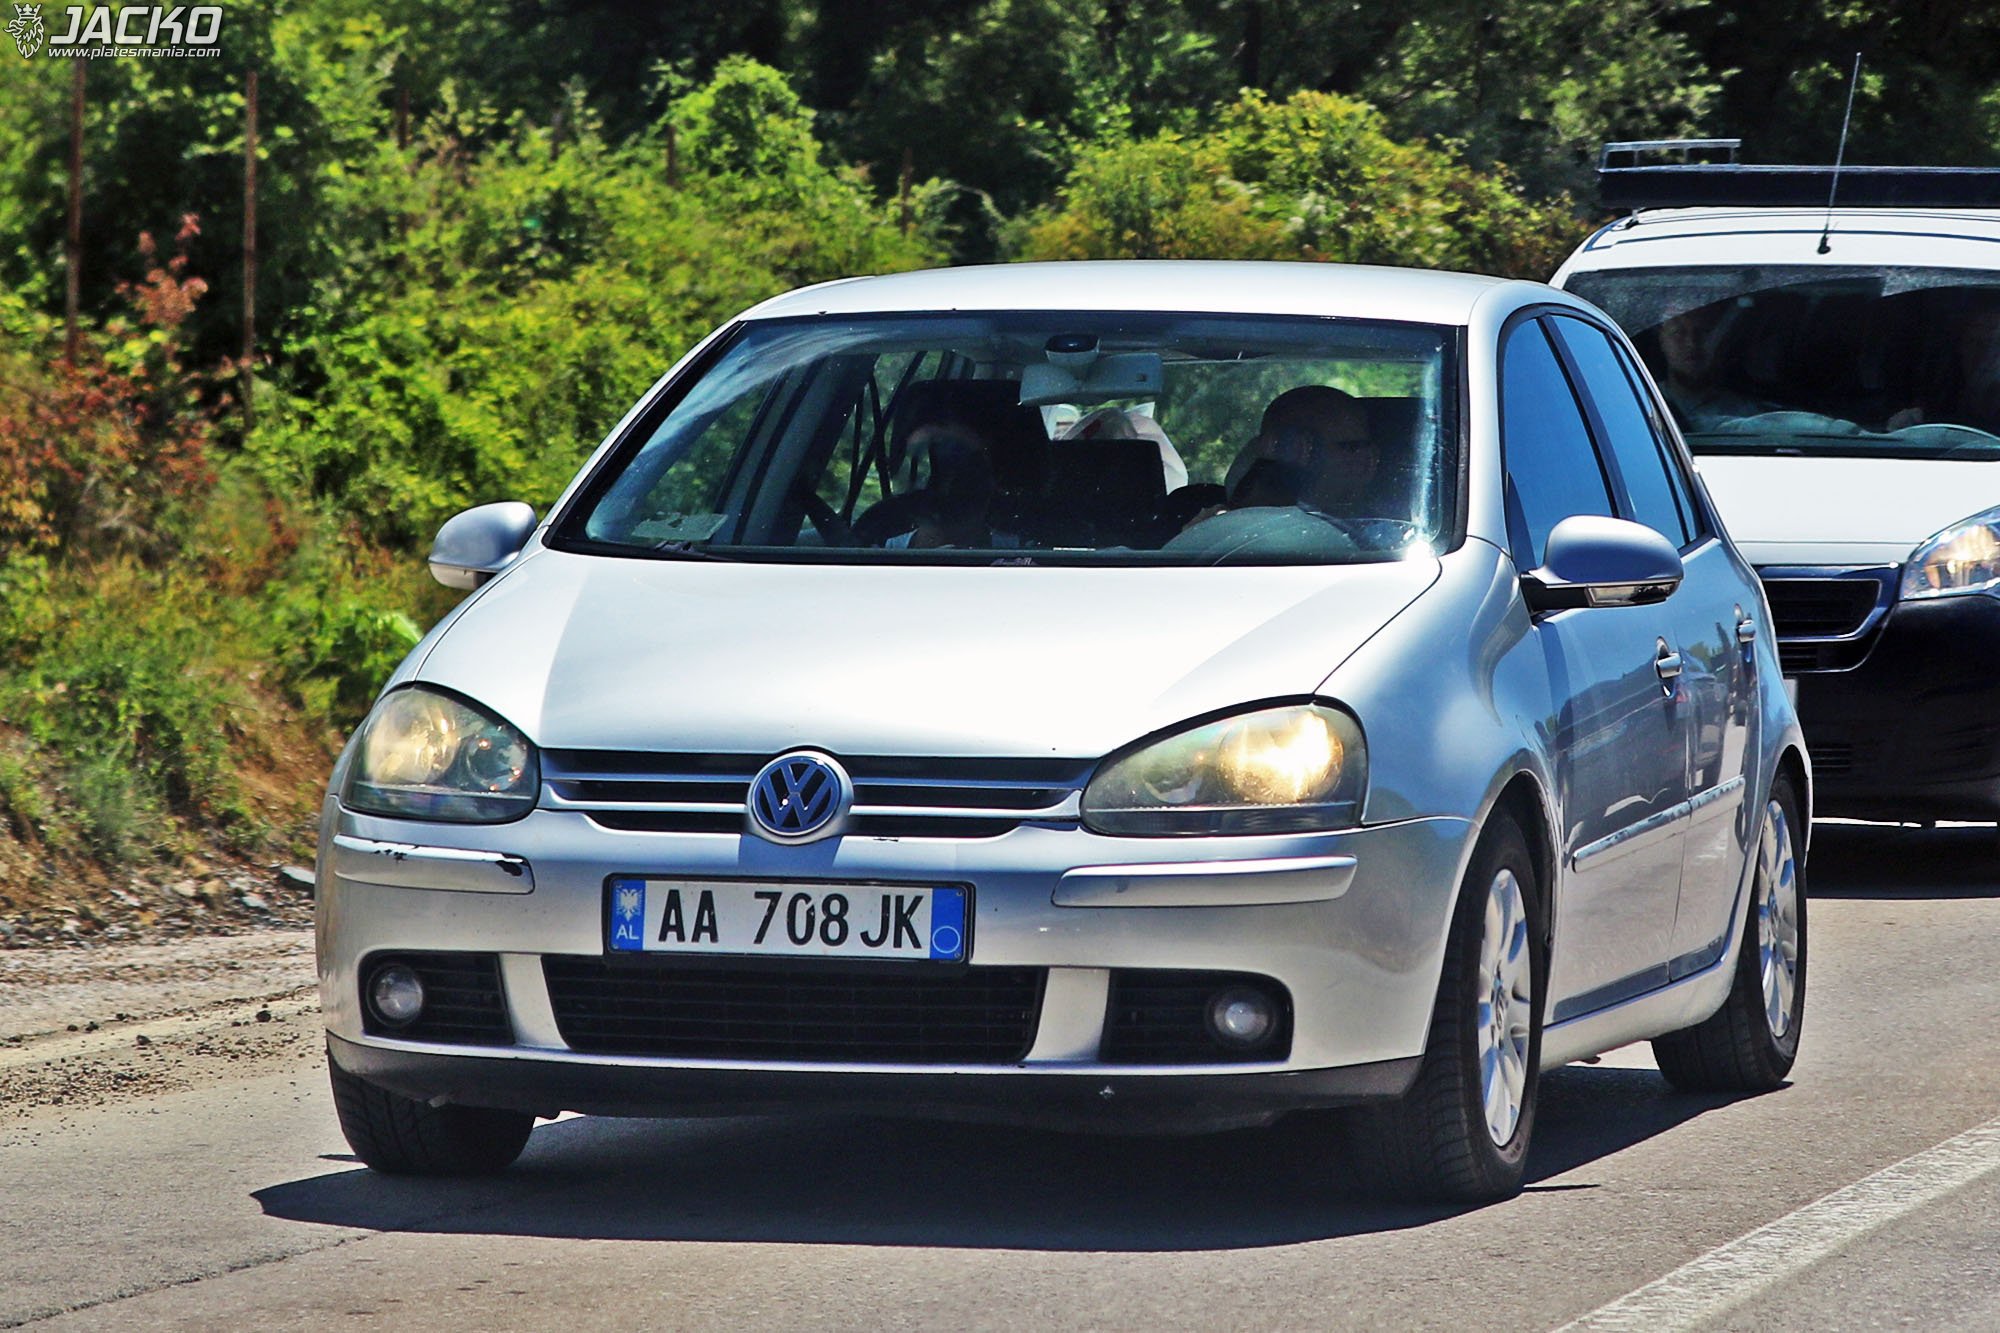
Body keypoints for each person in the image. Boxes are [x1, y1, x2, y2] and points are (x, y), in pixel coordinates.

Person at [886, 415, 1021, 549]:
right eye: (936, 468)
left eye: (970, 469)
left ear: (993, 481)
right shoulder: (883, 552)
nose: (948, 487)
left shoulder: (1019, 555)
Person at [1654, 303, 1770, 429]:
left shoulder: (1746, 414)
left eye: (1703, 332)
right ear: (1662, 341)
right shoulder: (1647, 401)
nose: (1691, 343)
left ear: (1719, 339)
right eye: (1678, 333)